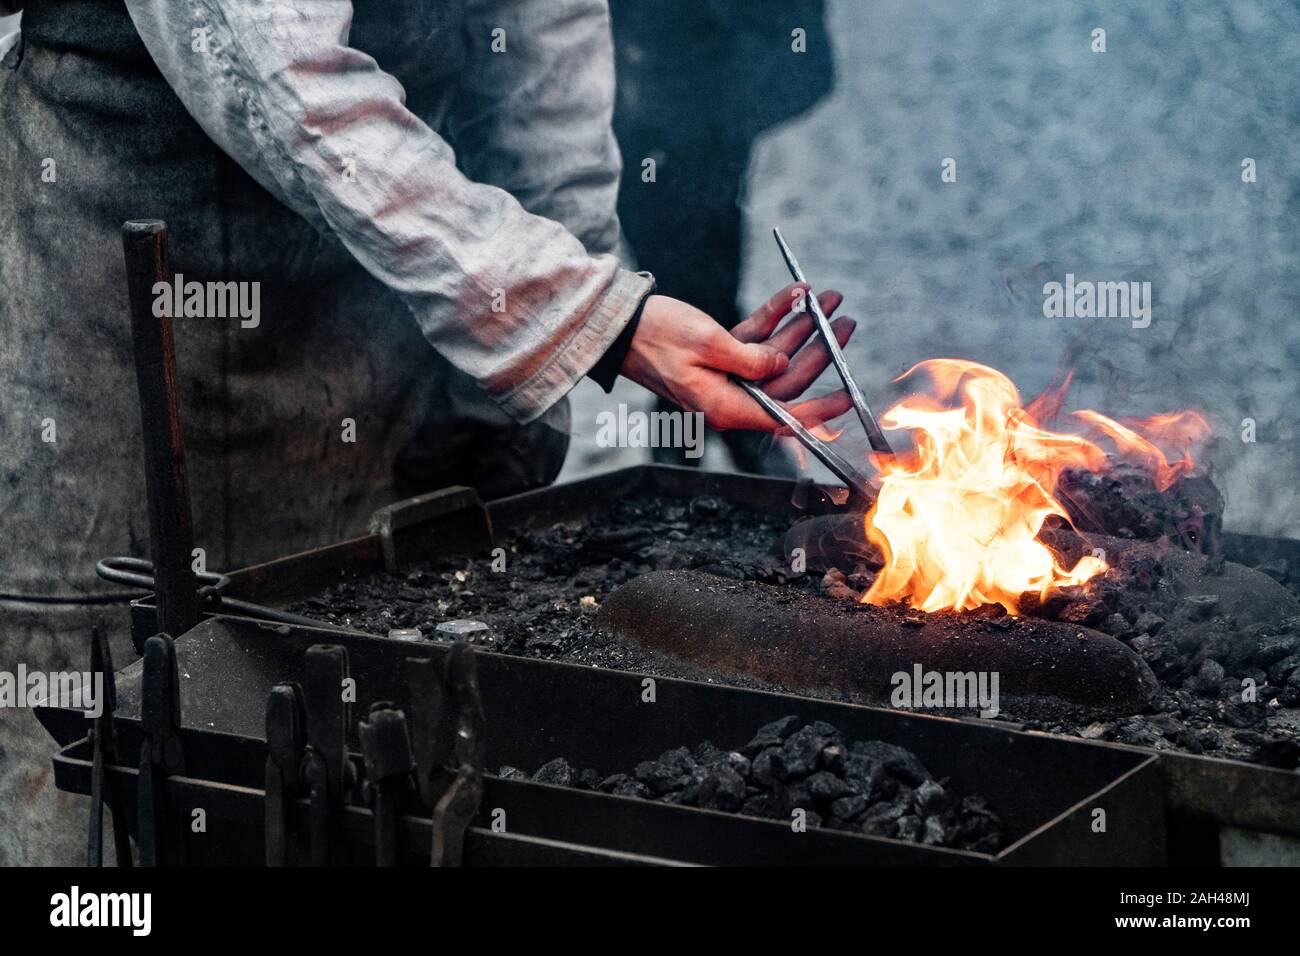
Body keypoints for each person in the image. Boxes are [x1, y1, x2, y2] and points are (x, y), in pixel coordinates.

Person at [0, 0, 854, 863]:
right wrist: (597, 318)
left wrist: (572, 305)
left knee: (354, 788)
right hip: (110, 353)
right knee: (106, 797)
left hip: (376, 368)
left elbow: (539, 45)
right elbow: (282, 73)